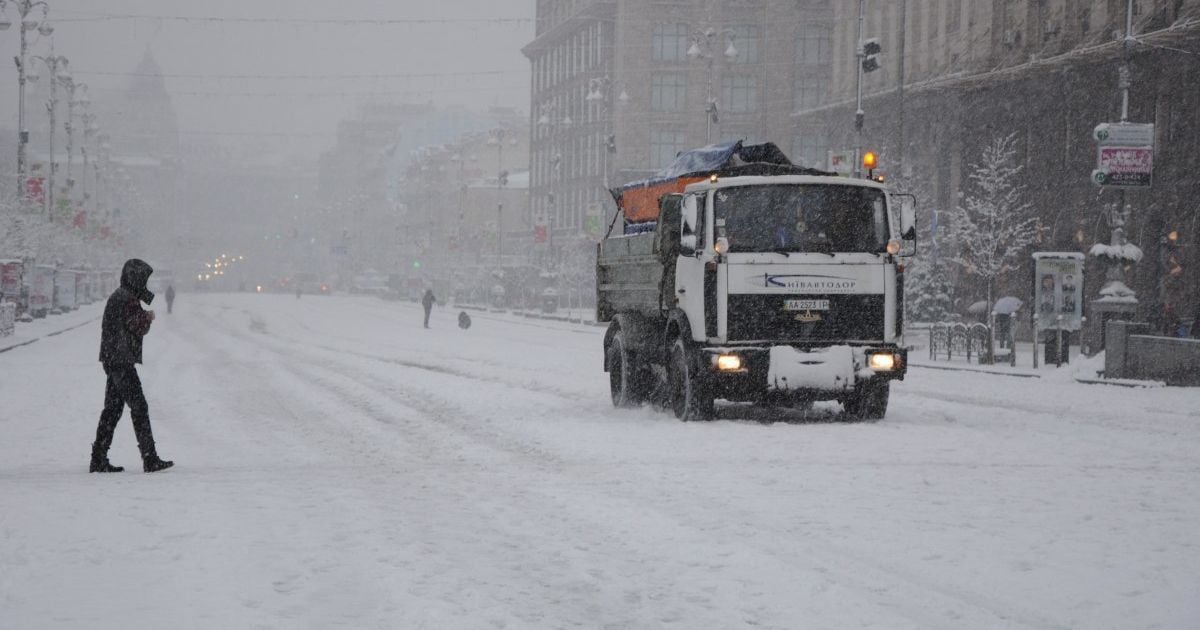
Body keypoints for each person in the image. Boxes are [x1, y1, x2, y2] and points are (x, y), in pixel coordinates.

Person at [90, 259, 174, 474]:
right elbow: (136, 326)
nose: (145, 283)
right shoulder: (127, 299)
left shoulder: (121, 295)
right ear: (136, 278)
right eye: (143, 278)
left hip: (114, 359)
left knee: (113, 410)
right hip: (121, 361)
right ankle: (150, 458)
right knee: (139, 407)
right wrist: (147, 317)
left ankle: (98, 458)